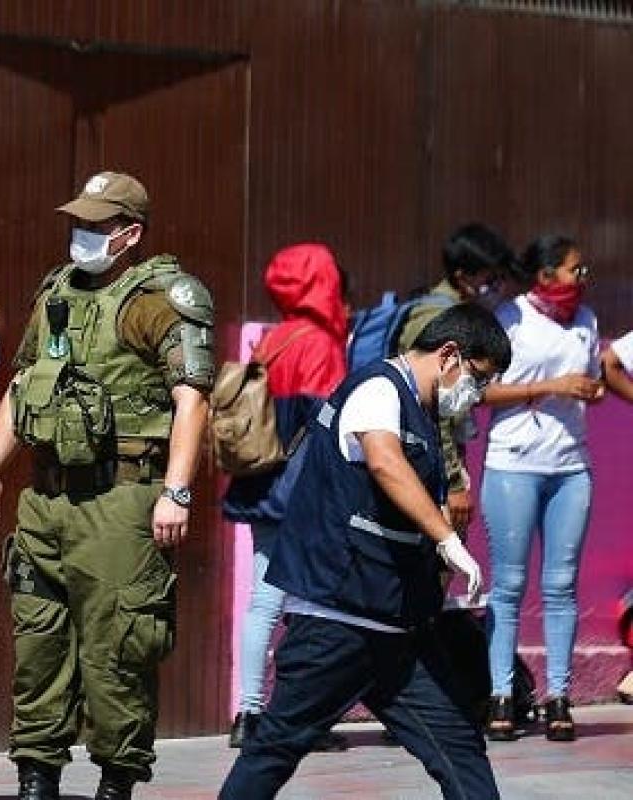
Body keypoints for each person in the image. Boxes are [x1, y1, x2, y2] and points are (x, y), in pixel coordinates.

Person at [0, 171, 215, 800]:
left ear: (129, 234)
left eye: (96, 224)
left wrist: (177, 491)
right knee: (38, 643)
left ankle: (116, 781)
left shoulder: (160, 299)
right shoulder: (57, 290)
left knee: (117, 650)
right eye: (78, 222)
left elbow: (192, 399)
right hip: (46, 497)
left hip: (120, 498)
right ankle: (36, 778)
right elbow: (24, 385)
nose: (81, 233)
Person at [219, 304, 509, 800]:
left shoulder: (422, 409)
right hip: (337, 622)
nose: (477, 394)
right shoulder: (378, 389)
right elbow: (384, 462)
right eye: (477, 378)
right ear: (448, 355)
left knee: (458, 744)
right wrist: (446, 538)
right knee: (275, 750)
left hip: (397, 630)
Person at [220, 243, 348, 750]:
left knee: (263, 601)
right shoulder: (322, 343)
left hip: (263, 482)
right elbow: (329, 423)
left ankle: (248, 713)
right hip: (305, 489)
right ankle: (296, 719)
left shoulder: (273, 340)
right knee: (309, 605)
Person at [477, 234, 602, 743]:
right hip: (514, 464)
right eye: (575, 269)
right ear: (546, 274)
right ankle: (501, 694)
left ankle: (559, 697)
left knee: (562, 585)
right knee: (508, 585)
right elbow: (479, 390)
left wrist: (588, 390)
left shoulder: (586, 320)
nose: (582, 278)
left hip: (571, 466)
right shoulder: (510, 318)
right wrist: (550, 387)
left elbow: (591, 379)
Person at [395, 223, 516, 535]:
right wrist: (453, 482)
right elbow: (436, 408)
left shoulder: (459, 311)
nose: (499, 287)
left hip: (437, 456)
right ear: (463, 276)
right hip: (426, 458)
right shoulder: (437, 318)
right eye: (490, 279)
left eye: (501, 278)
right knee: (439, 549)